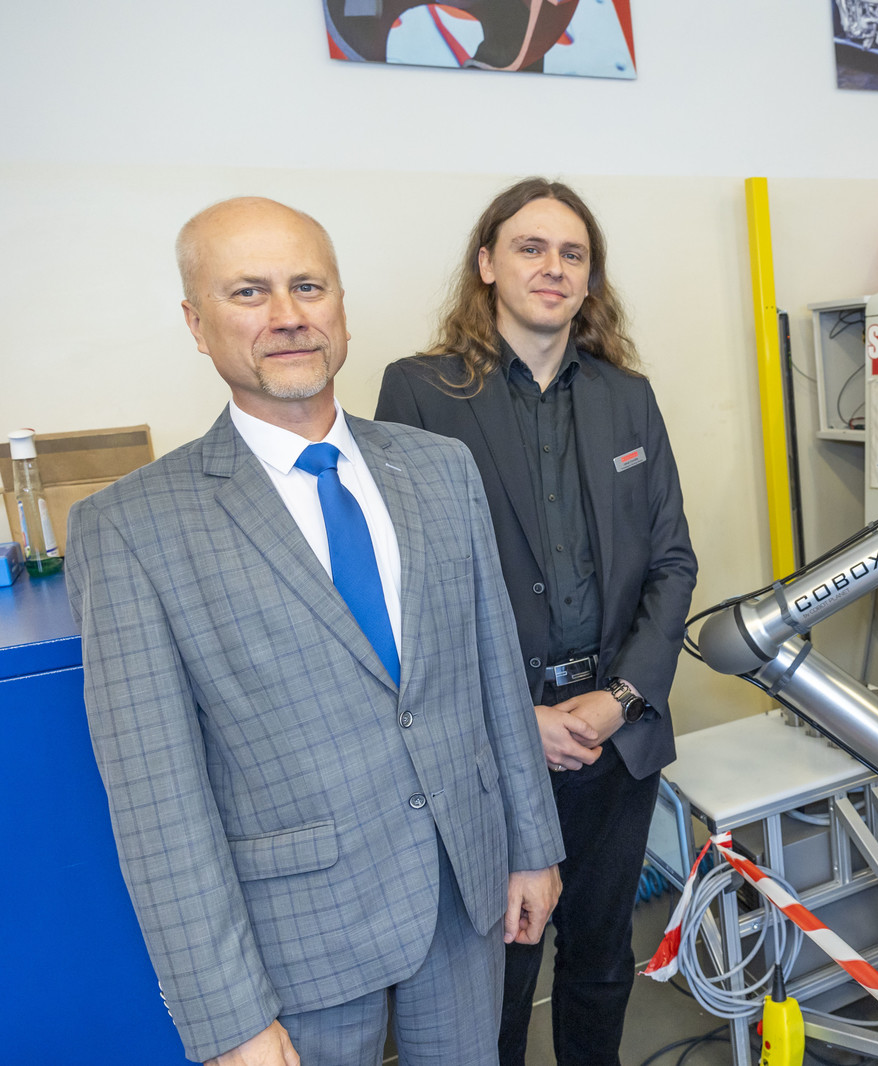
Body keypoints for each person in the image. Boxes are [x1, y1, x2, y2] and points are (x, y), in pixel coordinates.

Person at [66, 197, 565, 1066]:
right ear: (196, 324)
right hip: (295, 945)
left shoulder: (440, 470)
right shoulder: (131, 529)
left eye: (308, 286)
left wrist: (532, 844)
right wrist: (226, 1017)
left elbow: (494, 672)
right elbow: (156, 802)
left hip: (466, 898)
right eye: (248, 292)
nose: (288, 315)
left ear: (341, 306)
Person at [374, 177, 697, 1066]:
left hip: (614, 737)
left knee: (601, 959)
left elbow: (672, 563)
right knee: (501, 976)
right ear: (487, 263)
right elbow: (406, 592)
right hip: (491, 745)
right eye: (530, 247)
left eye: (572, 254)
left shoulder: (627, 398)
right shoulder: (422, 393)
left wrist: (621, 698)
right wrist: (518, 721)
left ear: (590, 279)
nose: (553, 267)